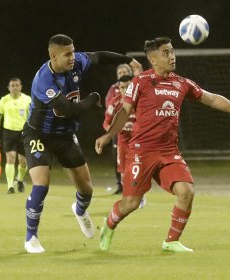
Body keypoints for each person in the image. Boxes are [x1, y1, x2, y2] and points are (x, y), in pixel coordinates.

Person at [95, 37, 230, 252]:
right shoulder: (140, 82)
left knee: (186, 191)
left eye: (172, 51)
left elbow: (211, 99)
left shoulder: (182, 83)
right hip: (141, 151)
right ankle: (109, 225)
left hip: (168, 151)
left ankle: (171, 241)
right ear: (153, 59)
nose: (172, 56)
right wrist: (108, 136)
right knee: (131, 204)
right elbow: (124, 111)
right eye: (165, 53)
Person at [23, 34, 142, 253]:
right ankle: (31, 237)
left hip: (65, 135)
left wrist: (126, 59)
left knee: (87, 189)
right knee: (41, 185)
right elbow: (68, 109)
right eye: (67, 54)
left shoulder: (77, 61)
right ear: (53, 56)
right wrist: (94, 98)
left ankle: (79, 210)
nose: (72, 57)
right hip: (39, 135)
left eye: (73, 51)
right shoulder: (43, 80)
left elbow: (99, 57)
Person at [0, 78, 31, 194]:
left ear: (21, 86)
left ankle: (19, 179)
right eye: (12, 85)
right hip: (9, 132)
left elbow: (32, 118)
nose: (15, 87)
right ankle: (10, 186)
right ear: (9, 88)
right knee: (10, 158)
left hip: (24, 132)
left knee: (23, 162)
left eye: (17, 85)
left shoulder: (27, 100)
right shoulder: (4, 101)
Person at [105, 64, 133, 194]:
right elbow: (107, 120)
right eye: (119, 72)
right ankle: (123, 188)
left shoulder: (140, 97)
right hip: (122, 137)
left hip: (139, 138)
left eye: (124, 71)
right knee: (121, 166)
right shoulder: (114, 97)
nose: (124, 89)